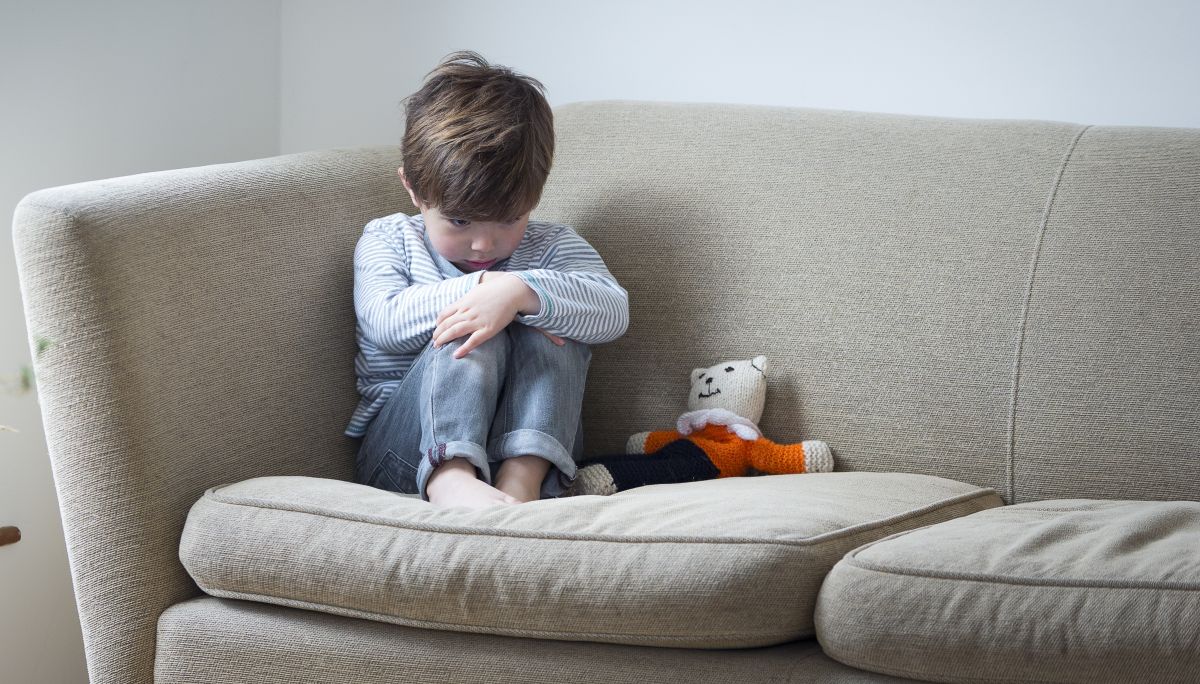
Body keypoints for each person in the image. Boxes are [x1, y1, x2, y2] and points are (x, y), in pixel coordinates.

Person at [345, 51, 629, 510]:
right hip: (405, 453)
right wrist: (485, 293)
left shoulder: (553, 247)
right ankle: (450, 474)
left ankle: (522, 481)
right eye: (459, 221)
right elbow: (384, 323)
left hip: (539, 452)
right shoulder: (390, 240)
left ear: (534, 198)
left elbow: (614, 311)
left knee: (553, 317)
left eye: (507, 220)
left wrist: (521, 292)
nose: (483, 245)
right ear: (413, 190)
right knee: (477, 322)